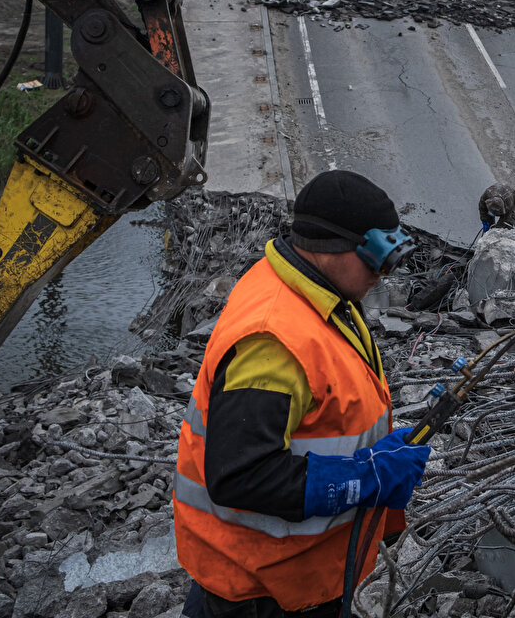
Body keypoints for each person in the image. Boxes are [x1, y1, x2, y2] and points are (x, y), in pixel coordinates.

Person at [174, 170, 432, 617]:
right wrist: (365, 477)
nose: (382, 274)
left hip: (301, 574)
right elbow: (239, 476)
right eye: (376, 258)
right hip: (261, 590)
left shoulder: (316, 291)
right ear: (329, 247)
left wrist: (372, 452)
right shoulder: (273, 341)